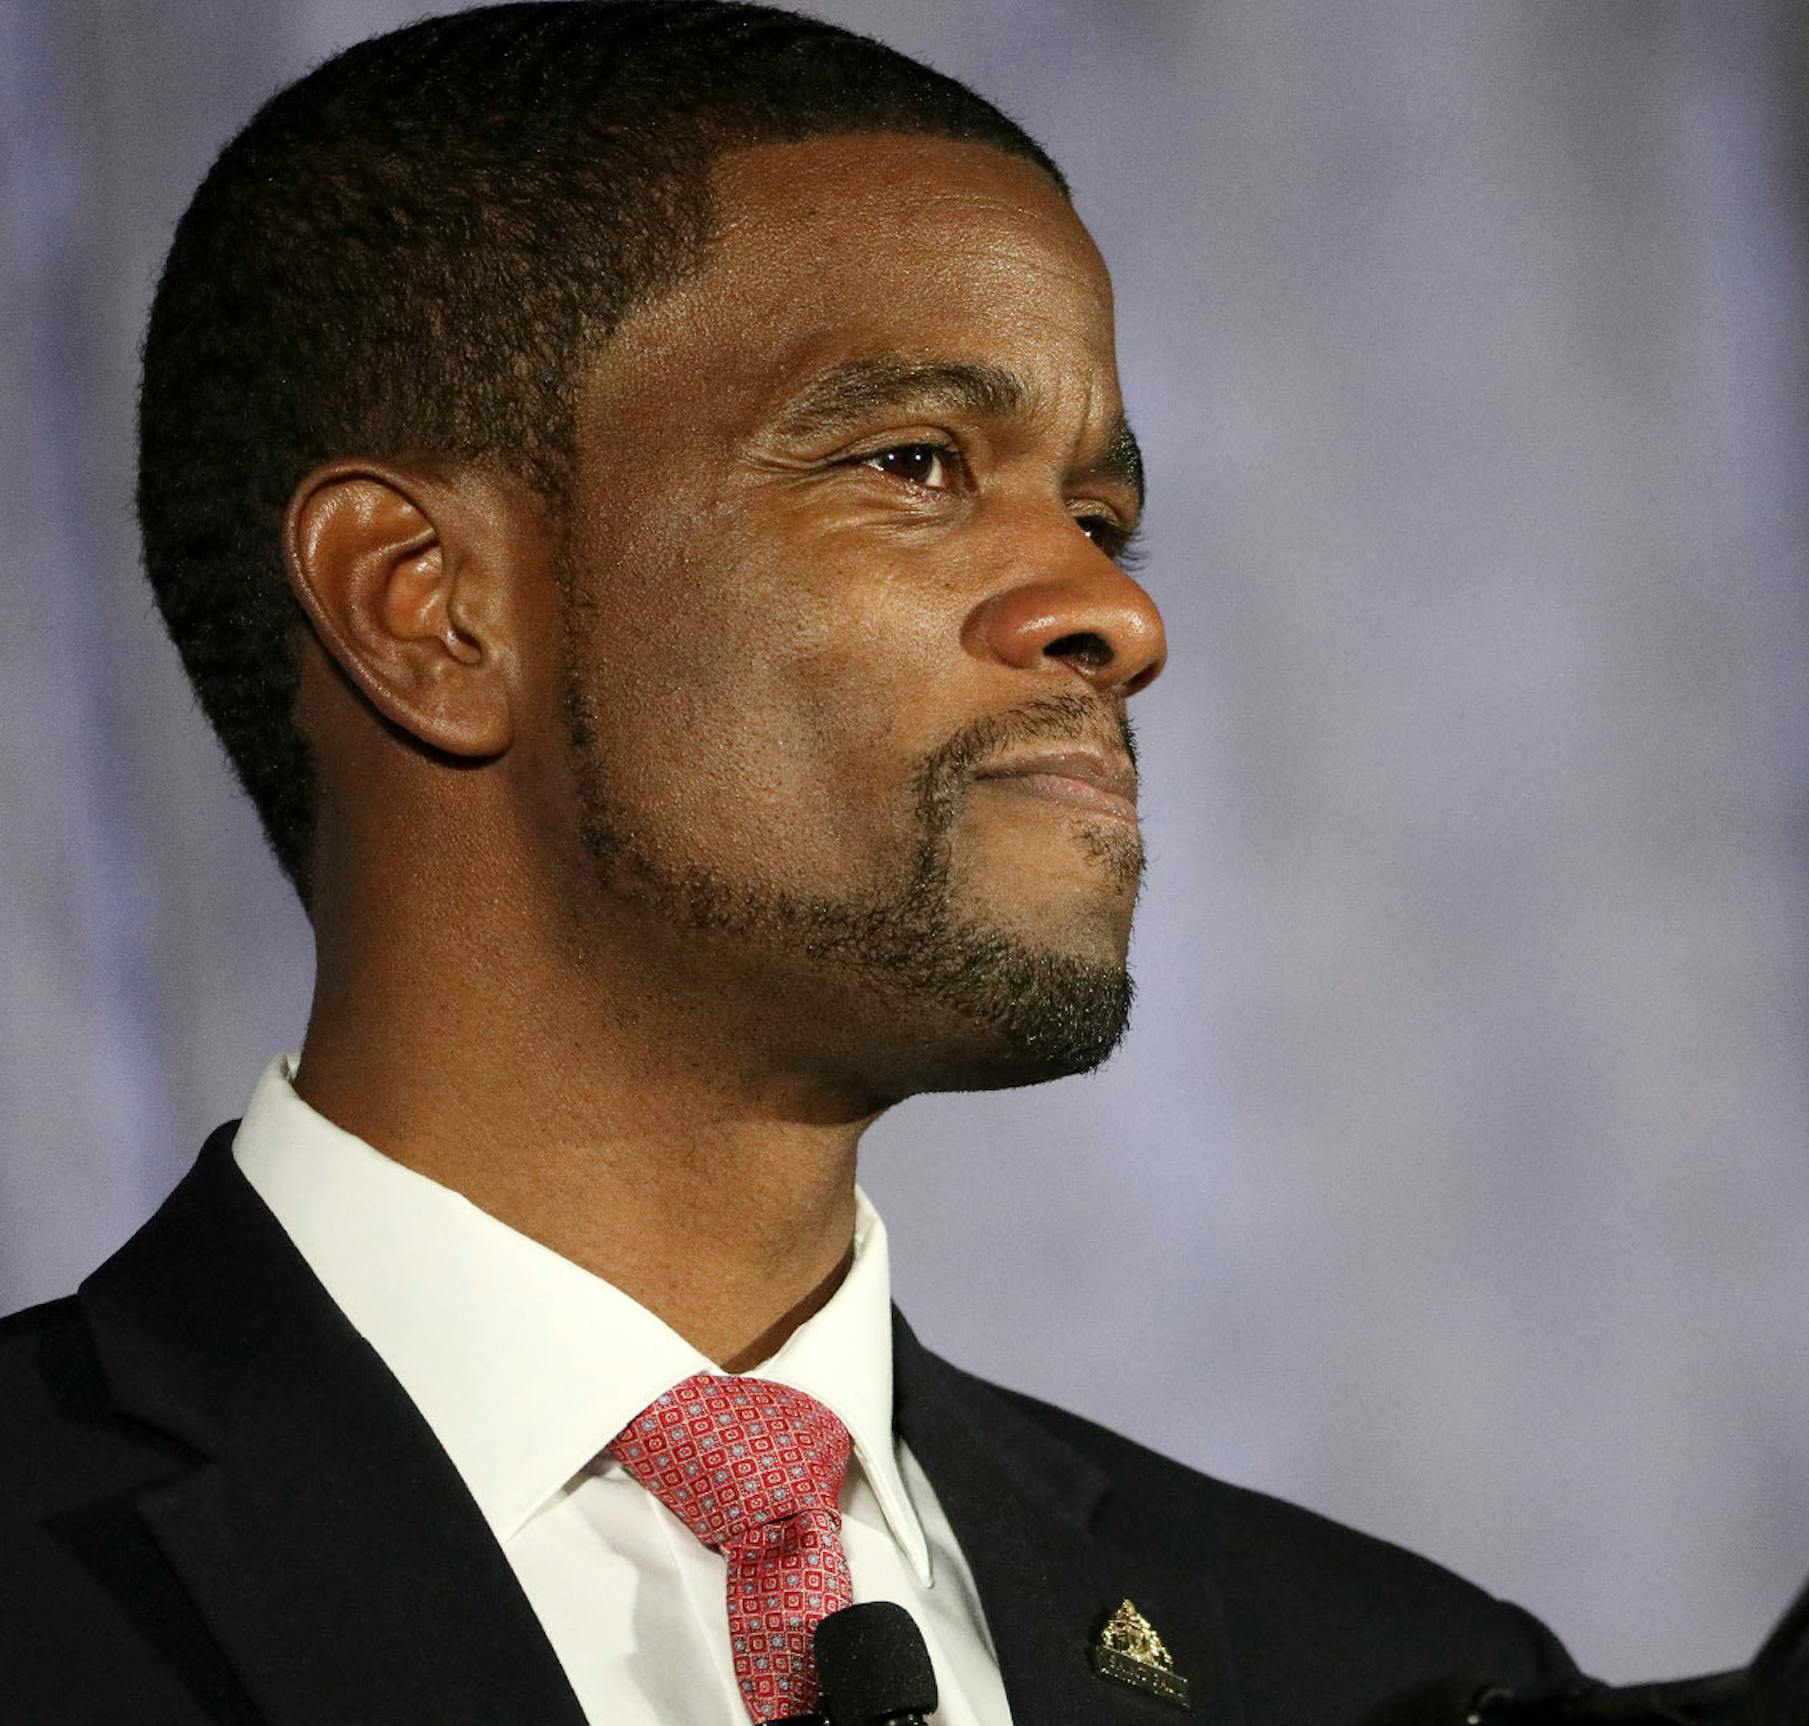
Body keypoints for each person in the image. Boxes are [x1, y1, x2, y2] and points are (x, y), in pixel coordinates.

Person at [0, 5, 1579, 1721]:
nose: (1116, 615)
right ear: (428, 608)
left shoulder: (1396, 1679)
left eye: (1101, 520)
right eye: (914, 465)